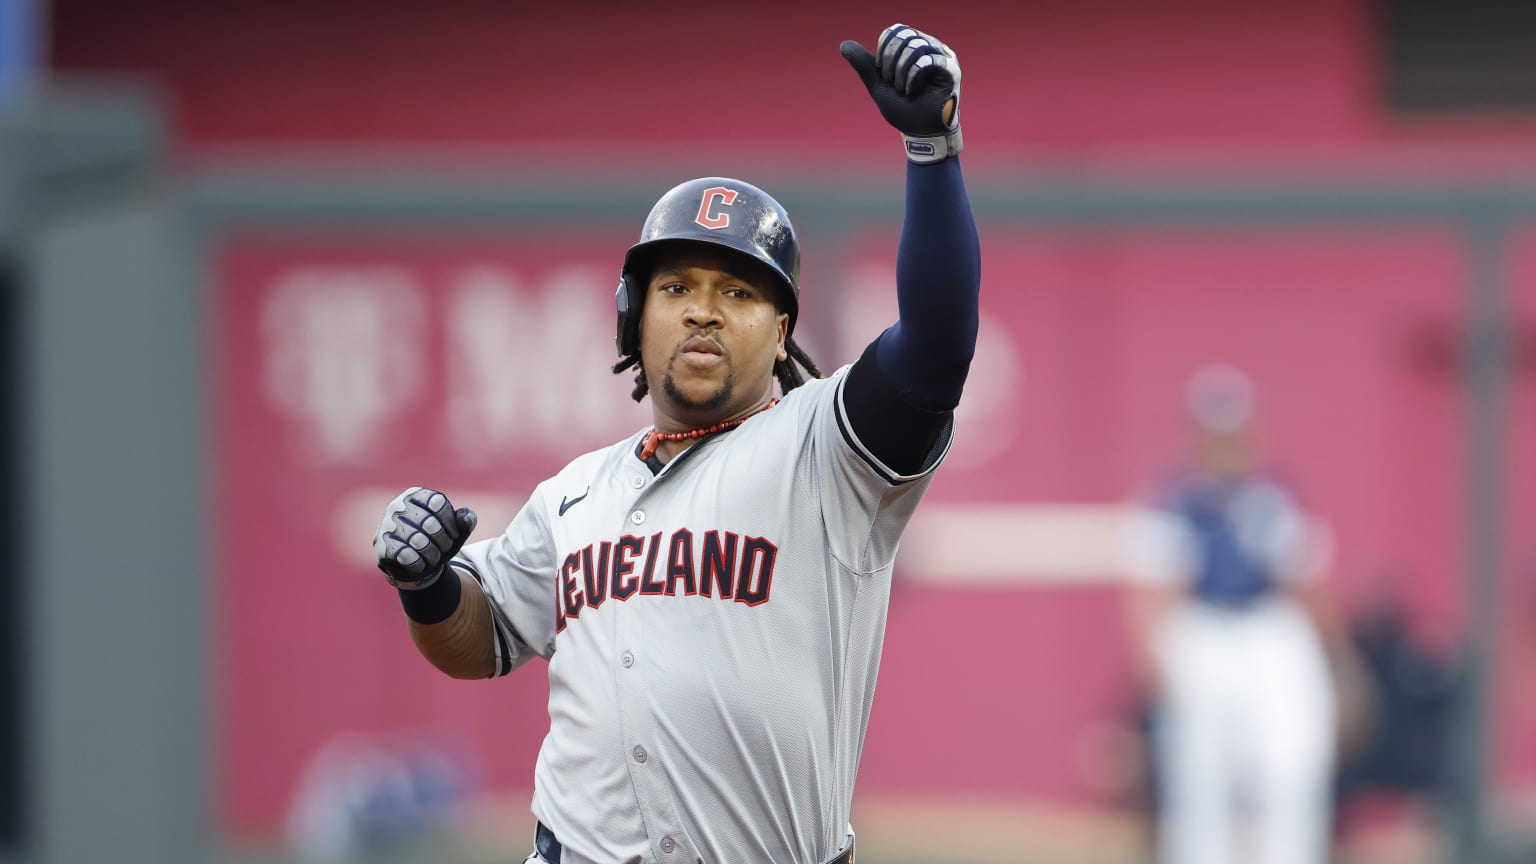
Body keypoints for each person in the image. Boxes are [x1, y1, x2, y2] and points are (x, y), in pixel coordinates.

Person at [371, 23, 979, 864]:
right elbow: (480, 642)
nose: (702, 309)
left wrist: (932, 149)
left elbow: (938, 346)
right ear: (635, 316)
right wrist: (428, 585)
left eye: (737, 290)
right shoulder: (574, 495)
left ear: (782, 334)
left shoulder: (826, 454)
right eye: (677, 286)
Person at [1123, 364, 1342, 864]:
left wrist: (1338, 664)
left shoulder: (1276, 493)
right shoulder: (1173, 498)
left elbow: (1309, 580)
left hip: (1271, 632)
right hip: (1202, 632)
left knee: (1291, 766)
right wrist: (1155, 659)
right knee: (1200, 777)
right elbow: (1154, 588)